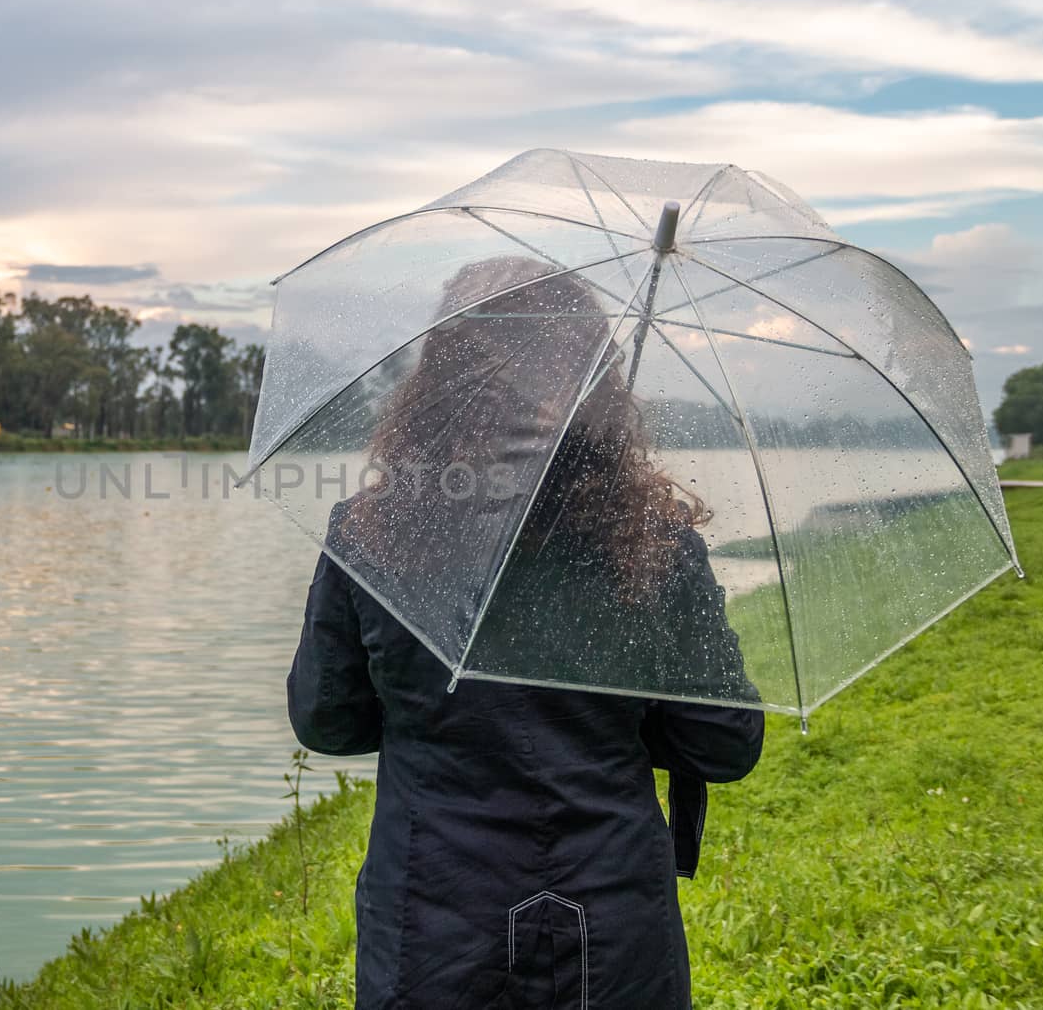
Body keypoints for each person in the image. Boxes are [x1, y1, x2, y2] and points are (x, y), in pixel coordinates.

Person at [287, 257, 765, 1009]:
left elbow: (326, 717)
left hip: (432, 926)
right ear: (598, 382)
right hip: (612, 930)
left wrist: (431, 716)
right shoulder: (655, 545)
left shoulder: (371, 533)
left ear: (434, 385)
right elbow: (723, 743)